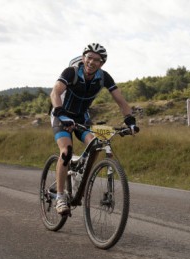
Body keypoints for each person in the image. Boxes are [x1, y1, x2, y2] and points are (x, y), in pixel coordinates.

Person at [50, 43, 138, 215]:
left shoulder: (104, 77)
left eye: (96, 60)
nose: (91, 62)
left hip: (82, 117)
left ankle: (78, 178)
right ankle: (60, 197)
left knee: (96, 144)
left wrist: (130, 121)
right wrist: (61, 113)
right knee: (66, 150)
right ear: (83, 58)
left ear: (102, 63)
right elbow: (55, 92)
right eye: (89, 58)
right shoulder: (71, 72)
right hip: (61, 115)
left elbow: (120, 100)